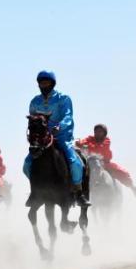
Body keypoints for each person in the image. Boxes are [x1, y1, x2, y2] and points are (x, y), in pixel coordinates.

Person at [24, 70, 88, 206]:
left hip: (61, 136)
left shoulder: (63, 99)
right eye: (41, 83)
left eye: (46, 82)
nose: (44, 85)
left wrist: (60, 126)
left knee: (76, 163)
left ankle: (78, 192)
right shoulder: (35, 101)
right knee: (27, 165)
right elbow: (33, 119)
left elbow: (68, 117)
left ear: (52, 84)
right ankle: (35, 192)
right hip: (43, 139)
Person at [76, 124, 136, 196]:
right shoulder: (90, 138)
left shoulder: (106, 141)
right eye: (96, 131)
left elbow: (98, 149)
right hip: (90, 161)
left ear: (104, 133)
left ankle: (133, 188)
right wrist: (79, 143)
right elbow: (82, 142)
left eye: (100, 132)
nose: (97, 133)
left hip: (104, 163)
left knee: (122, 172)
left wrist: (86, 146)